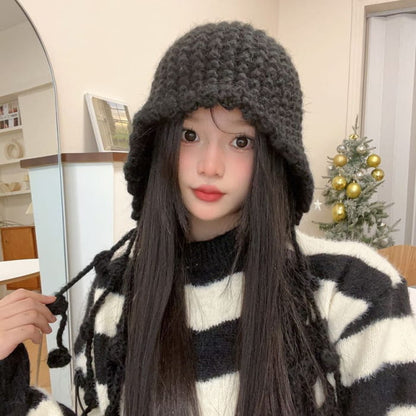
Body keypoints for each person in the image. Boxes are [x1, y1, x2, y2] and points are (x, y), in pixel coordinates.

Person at [1, 21, 415, 416]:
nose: (210, 166)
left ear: (275, 154)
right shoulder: (118, 292)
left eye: (241, 141)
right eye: (190, 135)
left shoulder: (354, 289)